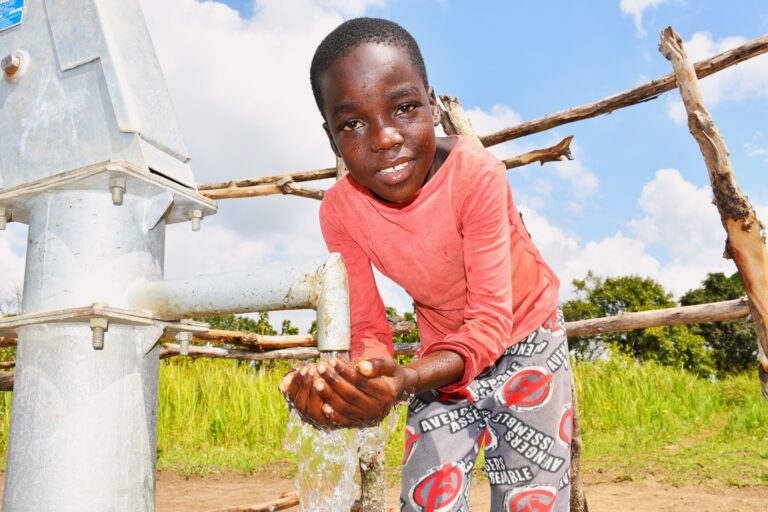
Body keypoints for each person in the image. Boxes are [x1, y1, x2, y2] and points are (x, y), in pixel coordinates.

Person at [281, 17, 572, 511]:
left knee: (531, 498)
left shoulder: (475, 175)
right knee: (426, 500)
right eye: (352, 123)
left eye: (404, 108)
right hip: (441, 353)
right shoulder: (340, 210)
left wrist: (408, 379)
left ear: (433, 106)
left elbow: (490, 322)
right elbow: (369, 328)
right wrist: (362, 380)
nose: (384, 138)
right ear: (331, 137)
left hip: (527, 338)